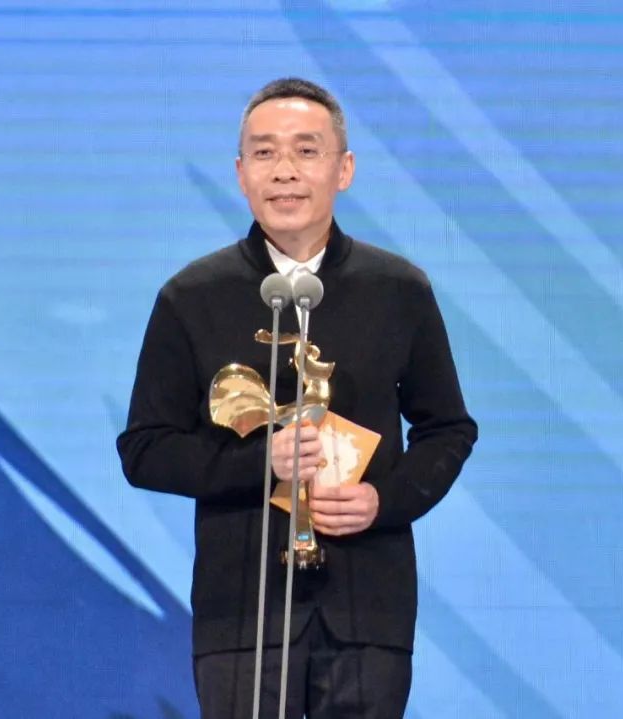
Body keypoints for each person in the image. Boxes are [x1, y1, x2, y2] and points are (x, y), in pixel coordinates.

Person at [117, 77, 477, 718]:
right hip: (241, 613)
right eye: (264, 153)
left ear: (345, 169)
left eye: (306, 151)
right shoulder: (192, 296)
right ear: (240, 174)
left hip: (367, 606)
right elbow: (145, 450)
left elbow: (448, 429)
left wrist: (384, 501)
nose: (284, 171)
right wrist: (263, 463)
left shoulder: (398, 290)